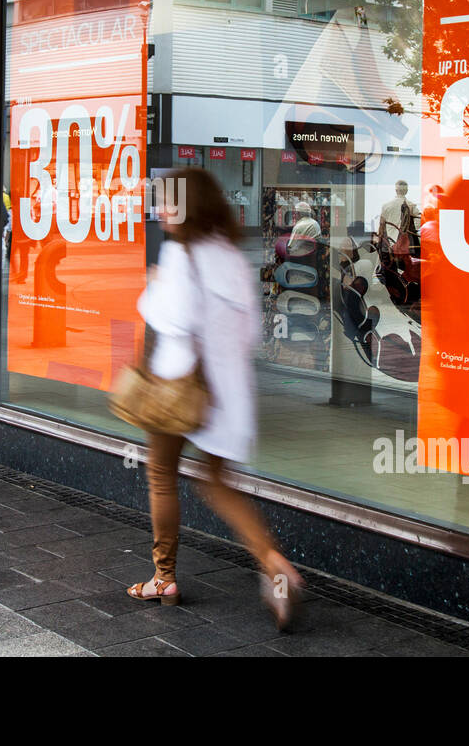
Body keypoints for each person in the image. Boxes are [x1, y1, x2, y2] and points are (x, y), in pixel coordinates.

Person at [127, 167, 306, 630]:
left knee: (162, 475)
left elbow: (172, 319)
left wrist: (154, 285)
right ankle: (274, 565)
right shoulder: (230, 254)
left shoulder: (182, 255)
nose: (162, 210)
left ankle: (163, 577)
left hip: (176, 388)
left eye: (170, 202)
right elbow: (250, 332)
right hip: (226, 393)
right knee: (218, 482)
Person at [378, 179, 418, 251]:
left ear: (396, 191)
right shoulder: (411, 206)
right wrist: (410, 230)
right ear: (406, 191)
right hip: (406, 244)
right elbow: (419, 221)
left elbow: (381, 225)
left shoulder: (386, 206)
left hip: (388, 243)